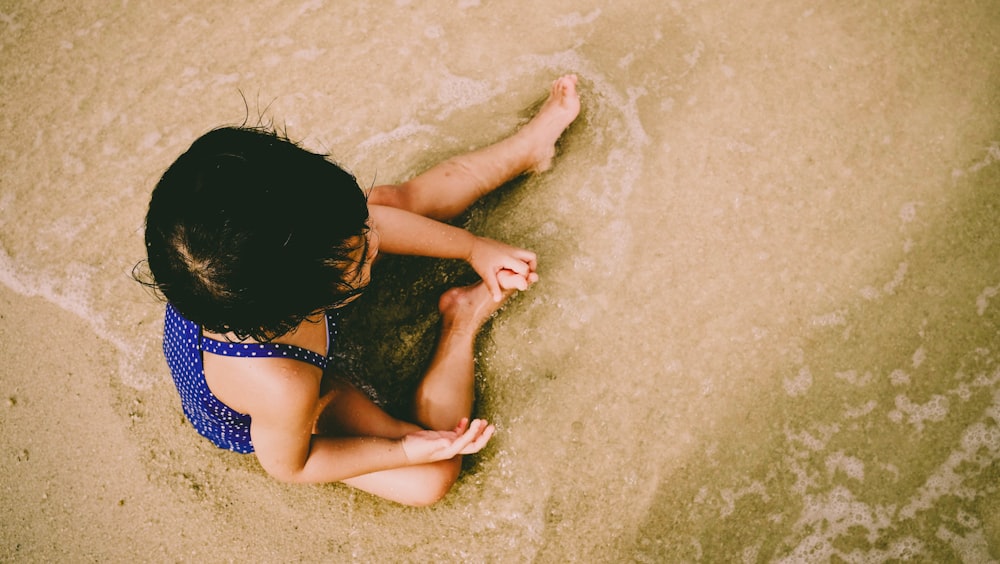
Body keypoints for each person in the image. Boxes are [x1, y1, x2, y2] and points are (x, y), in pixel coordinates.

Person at [139, 74, 580, 506]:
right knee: (432, 477)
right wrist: (407, 450)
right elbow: (293, 465)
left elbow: (372, 225)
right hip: (300, 400)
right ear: (304, 304)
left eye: (360, 230)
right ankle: (462, 318)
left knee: (387, 201)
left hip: (274, 297)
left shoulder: (279, 244)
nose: (375, 240)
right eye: (360, 254)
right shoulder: (282, 387)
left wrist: (473, 249)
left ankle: (527, 149)